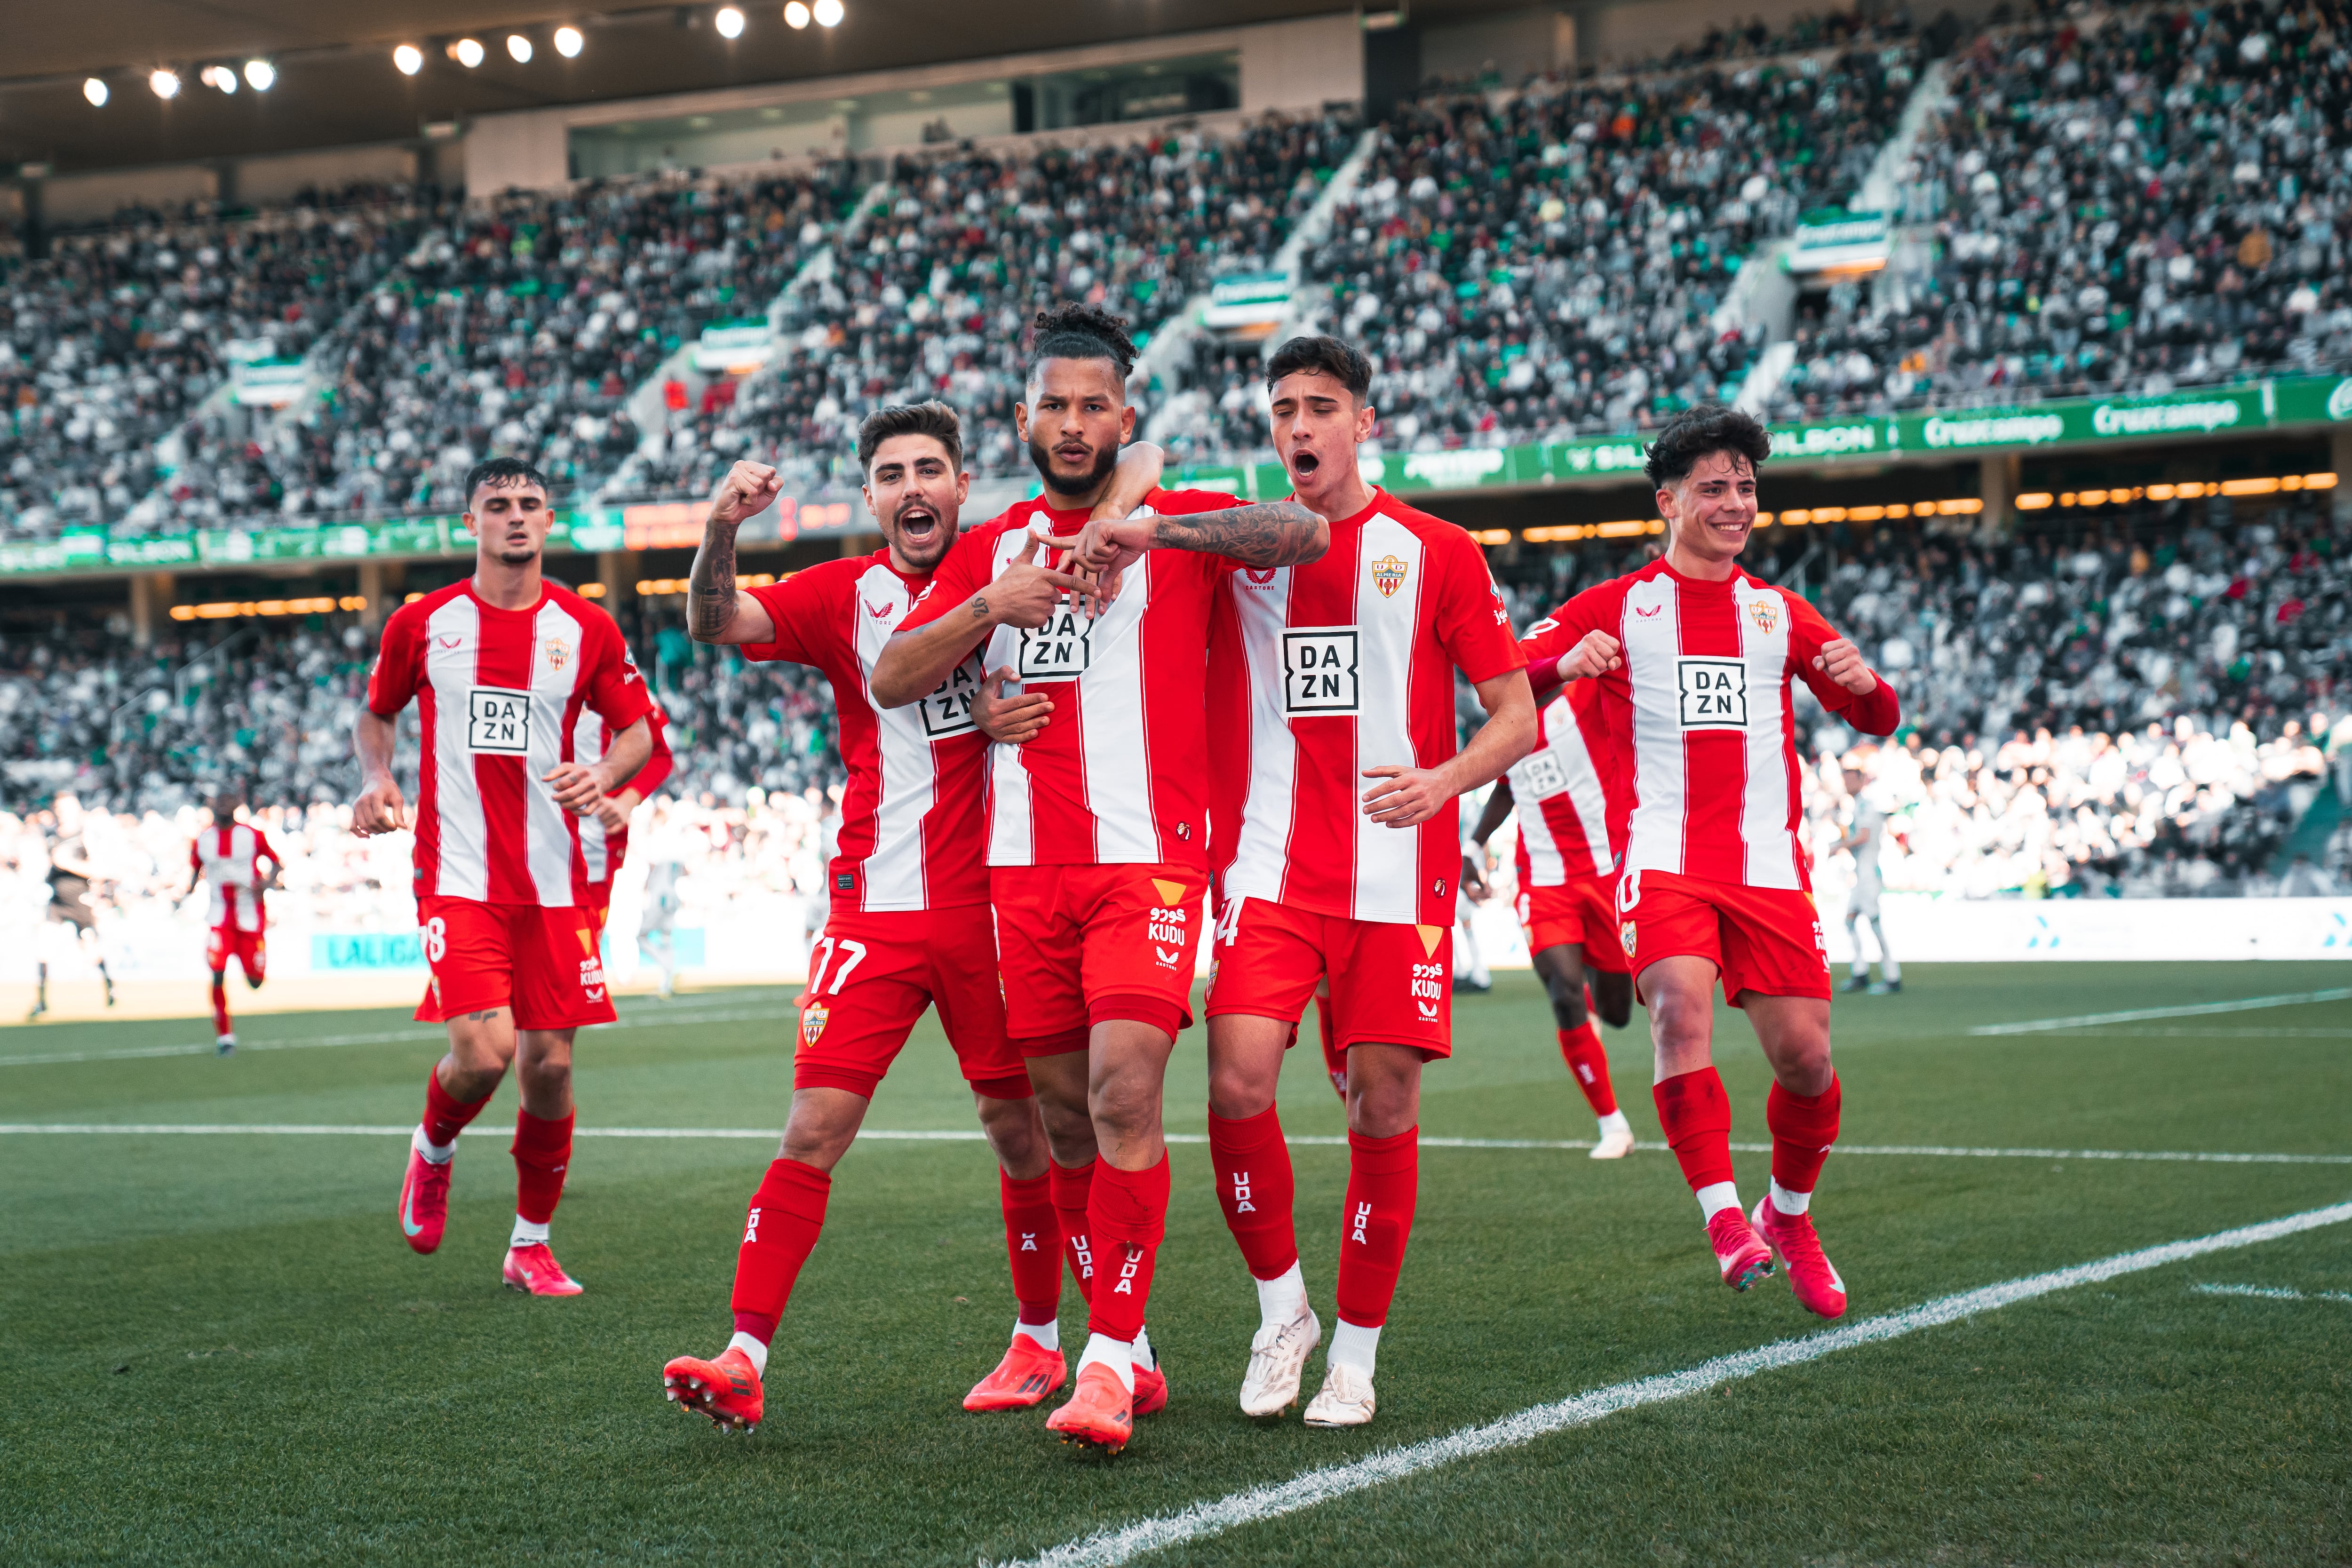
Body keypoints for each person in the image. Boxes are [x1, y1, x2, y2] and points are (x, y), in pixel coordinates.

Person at [871, 305, 1329, 1454]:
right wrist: (990, 612)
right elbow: (889, 676)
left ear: (1124, 419)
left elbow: (1302, 535)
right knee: (1068, 1126)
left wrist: (1156, 536)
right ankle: (1133, 1349)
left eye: (1094, 407)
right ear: (1024, 420)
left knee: (1126, 1097)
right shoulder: (990, 551)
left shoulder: (1167, 528)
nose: (1073, 425)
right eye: (1055, 406)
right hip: (1021, 877)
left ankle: (1107, 1361)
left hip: (1148, 865)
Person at [1057, 334, 1533, 1431]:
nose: (1301, 427)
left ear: (1367, 422)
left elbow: (1516, 716)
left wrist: (1443, 780)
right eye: (1283, 411)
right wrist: (1133, 524)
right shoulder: (1240, 544)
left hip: (1397, 871)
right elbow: (1147, 465)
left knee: (1384, 1101)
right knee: (1235, 1083)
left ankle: (1356, 1357)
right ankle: (1284, 1312)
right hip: (1269, 866)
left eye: (1322, 407)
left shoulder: (1437, 552)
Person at [658, 403, 1163, 1435]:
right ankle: (745, 1352)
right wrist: (720, 528)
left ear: (963, 483)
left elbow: (1142, 460)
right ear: (871, 495)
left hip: (995, 906)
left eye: (931, 468)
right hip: (873, 912)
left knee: (1027, 1129)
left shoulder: (1015, 553)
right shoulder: (846, 595)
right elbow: (717, 623)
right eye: (891, 474)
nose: (913, 488)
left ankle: (1066, 1341)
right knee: (814, 1125)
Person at [1518, 404, 1897, 1321]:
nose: (1736, 503)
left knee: (1805, 1060)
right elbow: (1499, 666)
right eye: (1714, 488)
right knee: (1678, 1012)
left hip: (1768, 867)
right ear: (1669, 502)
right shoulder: (1617, 605)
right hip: (1663, 860)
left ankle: (1790, 1216)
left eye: (1746, 488)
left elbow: (1878, 718)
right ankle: (1726, 1216)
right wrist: (1564, 662)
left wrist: (1865, 684)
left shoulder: (1776, 611)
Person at [354, 456, 655, 1298]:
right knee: (484, 1054)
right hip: (458, 871)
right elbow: (377, 711)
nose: (515, 516)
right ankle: (435, 1146)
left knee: (550, 1068)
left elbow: (636, 730)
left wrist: (606, 771)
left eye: (529, 503)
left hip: (557, 879)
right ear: (471, 521)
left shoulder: (586, 628)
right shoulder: (424, 622)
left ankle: (530, 1243)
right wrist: (376, 777)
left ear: (549, 519)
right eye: (498, 505)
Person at [1462, 677, 1638, 1158]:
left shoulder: (1588, 697)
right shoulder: (1503, 726)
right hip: (1543, 880)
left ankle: (1595, 999)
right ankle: (1612, 1124)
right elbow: (1504, 790)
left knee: (1619, 1013)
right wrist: (1472, 847)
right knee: (1563, 993)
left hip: (1606, 872)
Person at [187, 783, 282, 1054]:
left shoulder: (253, 835)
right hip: (219, 917)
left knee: (255, 981)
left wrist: (267, 884)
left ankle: (254, 970)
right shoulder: (202, 839)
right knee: (216, 974)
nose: (224, 805)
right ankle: (225, 1037)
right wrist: (186, 890)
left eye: (229, 801)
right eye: (220, 801)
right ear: (213, 806)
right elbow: (195, 870)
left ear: (238, 805)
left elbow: (276, 863)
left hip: (250, 916)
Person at [577, 699, 674, 945]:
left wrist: (625, 802)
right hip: (518, 845)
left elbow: (659, 754)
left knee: (580, 963)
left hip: (592, 852)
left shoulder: (621, 678)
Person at [29, 799, 116, 1019]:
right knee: (43, 948)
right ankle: (41, 1000)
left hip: (80, 901)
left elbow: (100, 870)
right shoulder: (51, 837)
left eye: (66, 809)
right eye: (58, 809)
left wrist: (68, 865)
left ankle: (110, 987)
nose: (61, 813)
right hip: (57, 902)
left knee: (90, 950)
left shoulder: (84, 836)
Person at [1833, 756, 1900, 994]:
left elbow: (1863, 837)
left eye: (1852, 779)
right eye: (1846, 779)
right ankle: (1860, 973)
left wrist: (1839, 847)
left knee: (1874, 923)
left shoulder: (1866, 805)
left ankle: (1893, 976)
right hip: (1861, 874)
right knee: (1850, 921)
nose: (1848, 783)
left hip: (1869, 874)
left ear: (1862, 780)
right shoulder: (1859, 805)